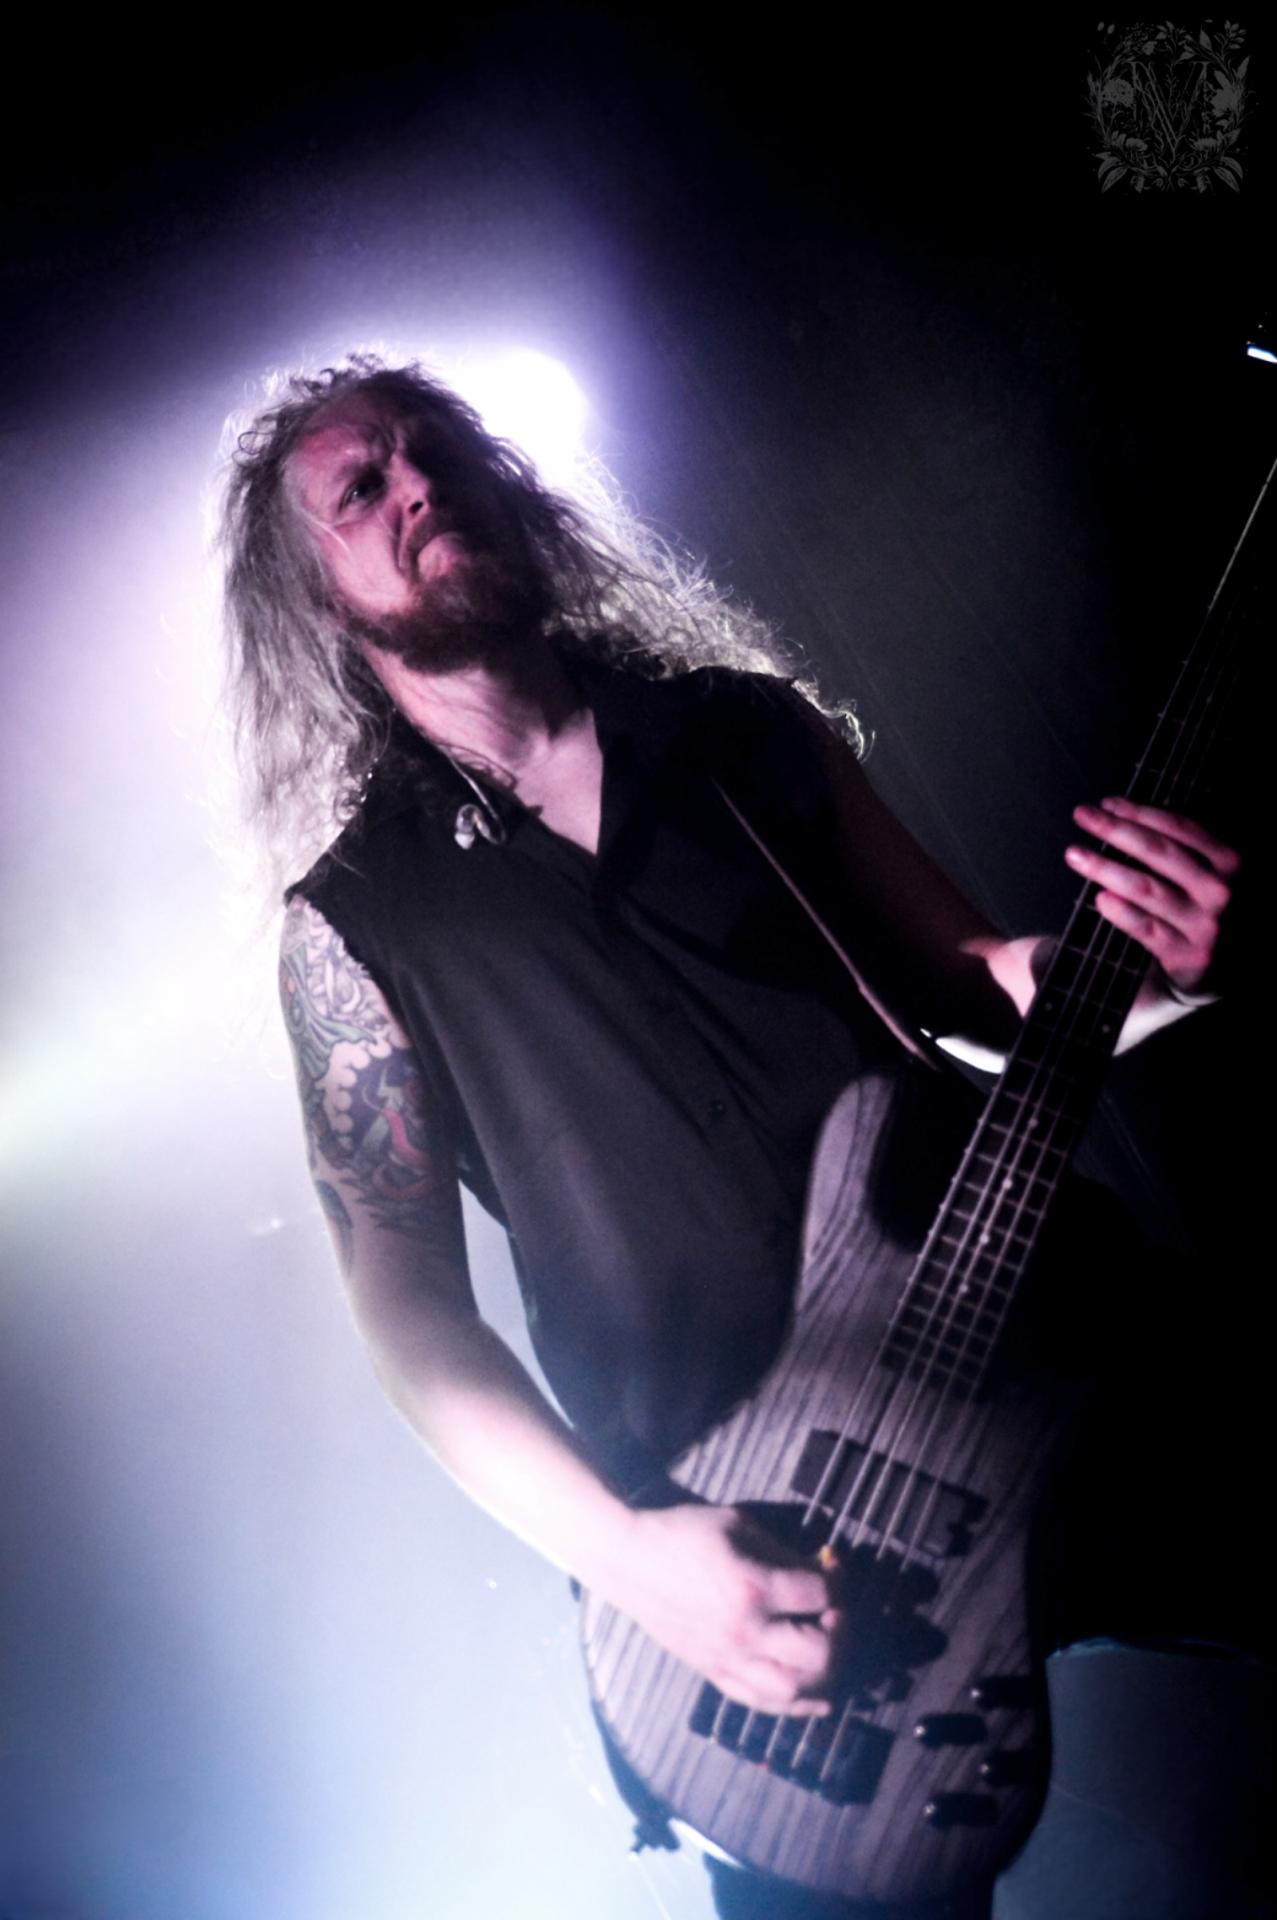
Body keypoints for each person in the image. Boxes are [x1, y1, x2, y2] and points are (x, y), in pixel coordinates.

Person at [219, 356, 1244, 1918]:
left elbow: (971, 984)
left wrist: (1149, 971)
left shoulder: (736, 733)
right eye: (362, 488)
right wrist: (630, 1557)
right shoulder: (356, 924)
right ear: (316, 600)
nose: (416, 481)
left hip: (1048, 1349)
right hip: (758, 1531)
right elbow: (406, 1308)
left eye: (436, 448)